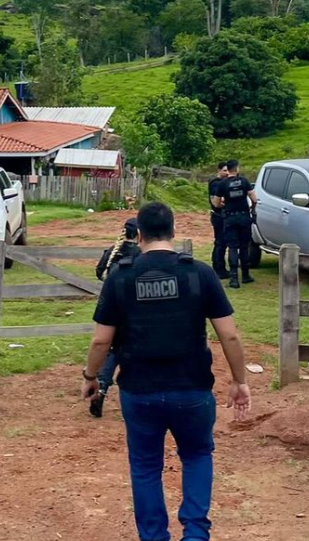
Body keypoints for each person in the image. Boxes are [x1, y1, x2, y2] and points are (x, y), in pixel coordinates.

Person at [81, 202, 252, 541]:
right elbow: (229, 334)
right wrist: (240, 381)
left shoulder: (121, 276)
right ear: (174, 232)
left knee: (145, 467)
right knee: (198, 456)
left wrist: (90, 378)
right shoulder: (199, 273)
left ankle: (154, 536)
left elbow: (102, 341)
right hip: (192, 388)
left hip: (139, 390)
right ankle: (195, 534)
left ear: (139, 235)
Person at [91, 217, 142, 418]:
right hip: (135, 310)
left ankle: (101, 388)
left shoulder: (113, 251)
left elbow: (99, 272)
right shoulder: (140, 254)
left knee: (111, 350)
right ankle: (135, 396)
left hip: (112, 308)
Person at [216, 160, 258, 289]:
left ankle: (234, 279)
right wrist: (252, 207)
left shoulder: (222, 184)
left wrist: (226, 204)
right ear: (237, 169)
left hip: (230, 218)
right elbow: (254, 198)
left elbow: (217, 203)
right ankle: (245, 275)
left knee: (232, 247)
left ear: (227, 170)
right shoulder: (244, 182)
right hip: (244, 217)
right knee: (244, 247)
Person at [208, 162, 231, 279]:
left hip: (223, 216)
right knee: (220, 243)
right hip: (218, 216)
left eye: (228, 170)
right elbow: (216, 203)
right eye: (225, 170)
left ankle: (220, 267)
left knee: (223, 242)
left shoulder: (223, 183)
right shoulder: (215, 184)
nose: (227, 173)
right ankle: (218, 268)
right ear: (218, 170)